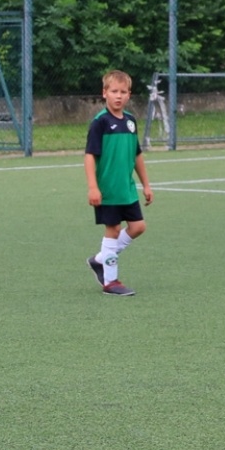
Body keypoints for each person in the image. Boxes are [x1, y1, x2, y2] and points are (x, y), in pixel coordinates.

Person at [84, 69, 153, 297]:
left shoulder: (131, 121)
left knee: (138, 227)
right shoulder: (100, 122)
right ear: (104, 93)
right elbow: (89, 156)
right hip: (109, 190)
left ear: (129, 95)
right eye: (114, 91)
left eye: (123, 92)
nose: (118, 96)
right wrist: (93, 187)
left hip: (127, 188)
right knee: (112, 230)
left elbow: (137, 155)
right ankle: (111, 282)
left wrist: (146, 184)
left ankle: (101, 260)